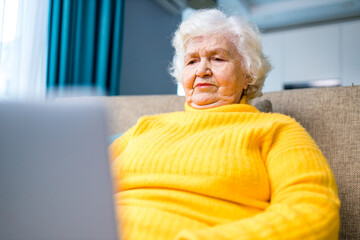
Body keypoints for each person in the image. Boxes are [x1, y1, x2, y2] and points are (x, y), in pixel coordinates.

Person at [109, 9, 340, 240]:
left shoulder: (277, 129)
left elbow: (315, 211)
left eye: (217, 58)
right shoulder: (145, 127)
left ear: (248, 73)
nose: (201, 70)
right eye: (192, 61)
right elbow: (80, 183)